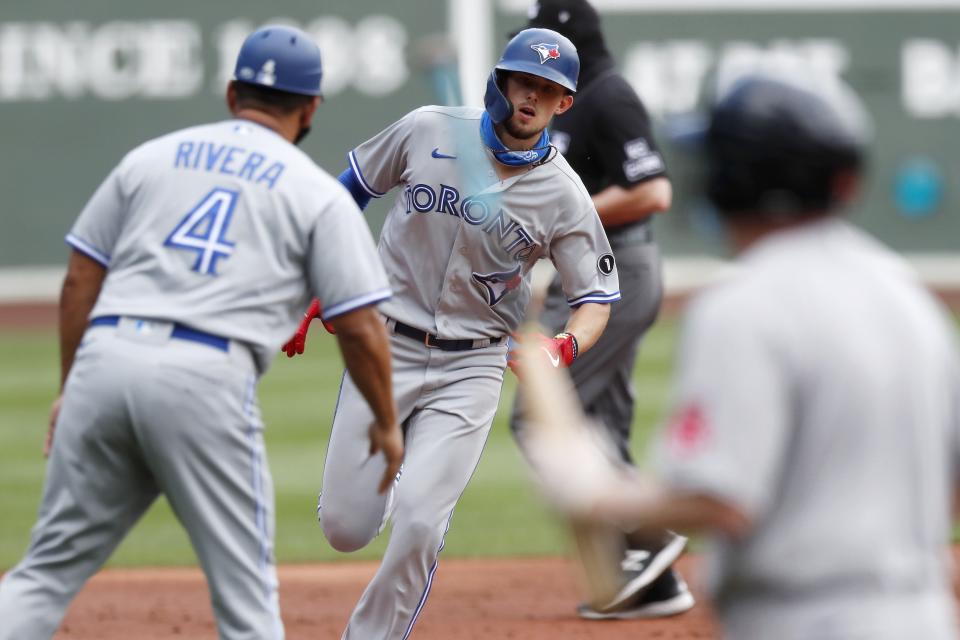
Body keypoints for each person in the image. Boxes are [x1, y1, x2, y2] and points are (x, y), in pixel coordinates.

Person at [0, 25, 403, 640]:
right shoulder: (318, 193)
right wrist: (384, 418)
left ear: (231, 92)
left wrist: (68, 386)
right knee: (246, 598)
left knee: (44, 575)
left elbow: (81, 276)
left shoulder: (151, 156)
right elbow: (358, 324)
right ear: (312, 106)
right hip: (204, 373)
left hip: (105, 358)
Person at [581, 73, 960, 639]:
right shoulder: (911, 298)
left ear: (735, 178)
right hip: (923, 614)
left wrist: (593, 493)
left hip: (807, 620)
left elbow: (718, 499)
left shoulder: (745, 303)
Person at [288, 27, 620, 639]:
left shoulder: (564, 195)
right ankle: (400, 486)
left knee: (419, 525)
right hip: (384, 345)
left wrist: (563, 345)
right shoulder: (429, 128)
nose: (533, 98)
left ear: (563, 104)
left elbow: (595, 300)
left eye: (549, 91)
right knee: (344, 528)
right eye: (526, 82)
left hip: (473, 364)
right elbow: (350, 191)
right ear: (502, 81)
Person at [507, 0, 691, 620]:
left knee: (539, 417)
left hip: (620, 275)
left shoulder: (608, 95)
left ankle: (650, 536)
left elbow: (653, 189)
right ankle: (655, 585)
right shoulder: (571, 99)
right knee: (600, 426)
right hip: (591, 276)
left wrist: (564, 217)